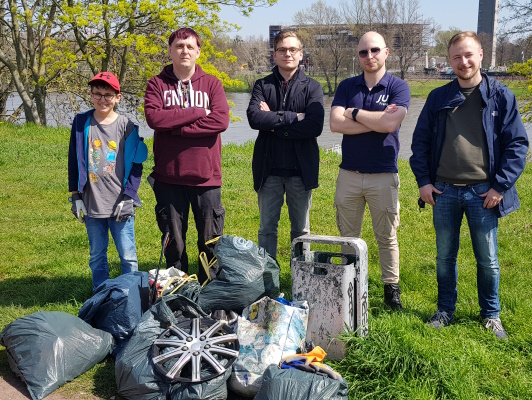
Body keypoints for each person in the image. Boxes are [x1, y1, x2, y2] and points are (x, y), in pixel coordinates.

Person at [409, 31, 529, 339]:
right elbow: (420, 142)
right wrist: (424, 182)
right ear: (449, 61)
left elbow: (517, 144)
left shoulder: (500, 95)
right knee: (444, 257)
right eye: (456, 57)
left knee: (487, 260)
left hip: (483, 193)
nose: (463, 62)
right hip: (444, 191)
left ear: (481, 56)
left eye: (469, 55)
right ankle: (445, 309)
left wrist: (500, 187)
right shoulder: (438, 97)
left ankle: (491, 314)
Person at [329, 31, 410, 309]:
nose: (369, 56)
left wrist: (353, 113)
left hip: (383, 174)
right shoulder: (347, 86)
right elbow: (335, 125)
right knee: (348, 237)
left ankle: (391, 290)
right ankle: (349, 285)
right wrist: (377, 121)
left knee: (386, 236)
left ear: (386, 52)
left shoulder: (398, 87)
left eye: (375, 50)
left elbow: (391, 125)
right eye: (363, 52)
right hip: (349, 174)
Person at [144, 27, 229, 283]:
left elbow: (221, 121)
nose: (184, 51)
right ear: (170, 50)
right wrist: (196, 112)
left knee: (210, 241)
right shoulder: (156, 84)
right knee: (174, 243)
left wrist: (175, 128)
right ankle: (178, 291)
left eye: (190, 47)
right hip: (169, 175)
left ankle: (208, 292)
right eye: (179, 46)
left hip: (206, 177)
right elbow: (155, 118)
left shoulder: (212, 83)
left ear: (198, 52)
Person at [247, 29, 324, 259]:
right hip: (268, 171)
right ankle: (267, 278)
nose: (287, 54)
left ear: (301, 55)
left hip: (301, 172)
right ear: (274, 54)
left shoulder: (313, 88)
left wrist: (274, 124)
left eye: (293, 49)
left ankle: (301, 278)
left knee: (300, 231)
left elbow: (314, 126)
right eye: (282, 50)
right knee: (266, 230)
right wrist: (293, 117)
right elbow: (254, 119)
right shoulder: (262, 85)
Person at [68, 72, 148, 291]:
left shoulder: (127, 126)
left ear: (118, 97)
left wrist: (129, 196)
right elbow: (73, 161)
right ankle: (101, 296)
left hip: (119, 203)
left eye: (108, 95)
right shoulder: (80, 123)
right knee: (96, 256)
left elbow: (136, 166)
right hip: (92, 202)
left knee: (128, 255)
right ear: (91, 95)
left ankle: (131, 296)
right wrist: (75, 195)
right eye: (97, 94)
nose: (102, 99)